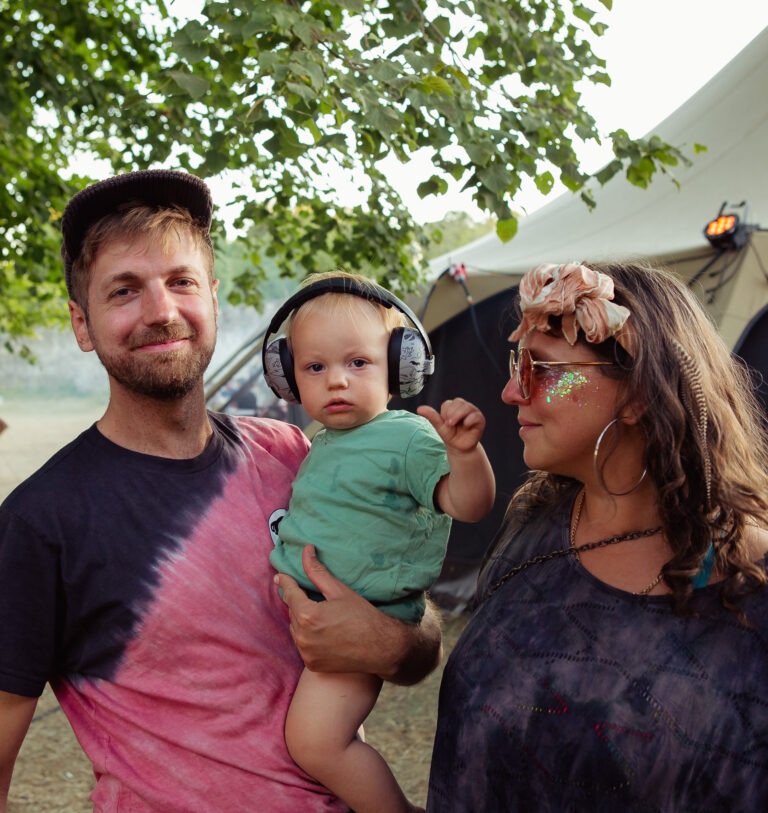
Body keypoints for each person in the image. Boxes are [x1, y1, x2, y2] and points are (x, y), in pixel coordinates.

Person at [0, 169, 442, 812]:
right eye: (124, 291)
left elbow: (415, 637)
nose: (161, 311)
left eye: (181, 282)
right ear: (82, 323)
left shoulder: (297, 457)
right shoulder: (42, 522)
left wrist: (395, 640)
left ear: (211, 295)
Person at [427, 261, 768, 811]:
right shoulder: (535, 522)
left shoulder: (749, 582)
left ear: (638, 394)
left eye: (543, 367)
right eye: (520, 362)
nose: (512, 392)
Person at [266, 271, 495, 813]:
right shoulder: (322, 442)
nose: (337, 381)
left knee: (316, 743)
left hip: (360, 620)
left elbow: (469, 505)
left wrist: (464, 455)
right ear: (289, 379)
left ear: (401, 367)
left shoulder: (407, 436)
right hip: (316, 623)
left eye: (358, 363)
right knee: (323, 737)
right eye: (315, 367)